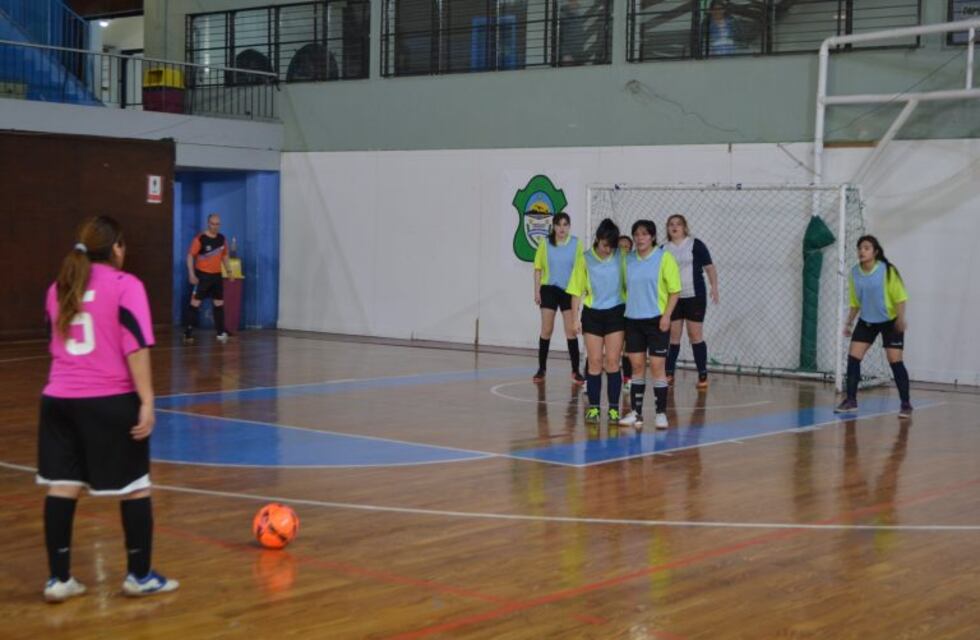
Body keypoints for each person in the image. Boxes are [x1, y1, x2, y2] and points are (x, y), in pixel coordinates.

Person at [37, 216, 178, 602]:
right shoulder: (126, 286)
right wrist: (147, 400)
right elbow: (136, 347)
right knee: (134, 488)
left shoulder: (59, 287)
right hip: (109, 401)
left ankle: (58, 579)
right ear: (116, 247)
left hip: (58, 401)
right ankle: (140, 575)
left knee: (63, 485)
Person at [836, 235, 912, 418]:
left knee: (895, 361)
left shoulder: (887, 271)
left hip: (890, 321)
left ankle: (905, 404)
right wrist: (849, 322)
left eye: (866, 248)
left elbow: (900, 298)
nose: (862, 251)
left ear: (875, 252)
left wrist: (901, 319)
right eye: (860, 248)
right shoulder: (855, 273)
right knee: (853, 358)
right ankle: (851, 400)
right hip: (867, 321)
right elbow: (855, 301)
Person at [620, 220, 681, 429]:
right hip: (633, 320)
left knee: (657, 367)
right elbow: (623, 289)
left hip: (657, 320)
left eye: (645, 234)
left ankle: (661, 413)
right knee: (637, 367)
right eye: (637, 234)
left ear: (653, 237)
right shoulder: (628, 260)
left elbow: (675, 291)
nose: (640, 238)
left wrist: (666, 316)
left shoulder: (664, 258)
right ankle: (636, 413)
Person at [567, 218, 627, 424]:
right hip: (592, 314)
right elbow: (576, 291)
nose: (607, 250)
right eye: (604, 245)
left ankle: (612, 408)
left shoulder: (622, 257)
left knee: (612, 362)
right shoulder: (585, 258)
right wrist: (574, 320)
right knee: (594, 362)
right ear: (598, 239)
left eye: (611, 246)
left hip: (616, 313)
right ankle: (593, 408)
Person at [662, 214, 719, 389]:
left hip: (694, 296)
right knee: (673, 336)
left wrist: (714, 287)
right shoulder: (663, 248)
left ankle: (702, 374)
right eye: (671, 224)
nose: (674, 227)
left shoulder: (696, 244)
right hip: (673, 298)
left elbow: (709, 268)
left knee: (695, 336)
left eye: (678, 224)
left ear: (685, 227)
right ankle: (669, 372)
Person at [533, 212, 585, 384]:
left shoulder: (576, 244)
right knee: (546, 329)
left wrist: (581, 291)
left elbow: (580, 270)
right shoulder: (545, 243)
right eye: (559, 224)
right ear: (553, 226)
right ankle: (541, 369)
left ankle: (575, 371)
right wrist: (537, 290)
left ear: (569, 226)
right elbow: (538, 268)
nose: (562, 228)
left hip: (569, 291)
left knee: (571, 331)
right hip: (549, 289)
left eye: (565, 224)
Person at [184, 213, 232, 344]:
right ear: (208, 223)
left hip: (217, 276)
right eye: (213, 224)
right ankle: (188, 332)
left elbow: (225, 256)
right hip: (202, 276)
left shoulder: (222, 239)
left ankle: (220, 332)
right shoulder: (200, 238)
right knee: (195, 304)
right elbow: (190, 256)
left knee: (219, 304)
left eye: (218, 224)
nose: (215, 227)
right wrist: (191, 274)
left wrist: (229, 271)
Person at [617, 235, 635, 388]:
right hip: (613, 309)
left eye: (626, 247)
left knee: (627, 347)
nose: (623, 249)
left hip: (630, 309)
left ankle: (627, 379)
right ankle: (588, 381)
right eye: (620, 246)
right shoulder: (609, 264)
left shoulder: (634, 264)